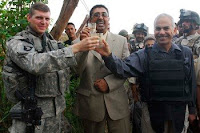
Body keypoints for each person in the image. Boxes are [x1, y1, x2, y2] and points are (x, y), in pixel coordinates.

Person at [2, 2, 99, 133]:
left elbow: (74, 68)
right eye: (39, 17)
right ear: (29, 17)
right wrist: (75, 48)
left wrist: (83, 49)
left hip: (56, 112)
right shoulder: (17, 42)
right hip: (31, 114)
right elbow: (34, 64)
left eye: (47, 18)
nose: (43, 22)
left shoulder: (52, 44)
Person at [95, 13, 196, 133]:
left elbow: (191, 82)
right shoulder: (143, 55)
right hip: (152, 112)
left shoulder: (185, 53)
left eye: (166, 28)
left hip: (179, 112)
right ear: (154, 31)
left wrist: (192, 110)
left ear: (174, 30)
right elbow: (122, 68)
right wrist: (108, 56)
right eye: (158, 29)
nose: (162, 32)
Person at [73, 4, 130, 133]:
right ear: (89, 20)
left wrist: (109, 83)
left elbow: (126, 69)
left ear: (108, 19)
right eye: (96, 15)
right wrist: (83, 46)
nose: (100, 17)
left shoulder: (121, 41)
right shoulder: (77, 43)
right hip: (90, 104)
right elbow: (76, 70)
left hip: (117, 102)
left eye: (103, 14)